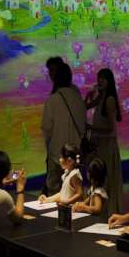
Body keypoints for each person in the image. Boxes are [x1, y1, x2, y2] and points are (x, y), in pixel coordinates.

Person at [42, 63, 86, 195]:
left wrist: (49, 149)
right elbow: (83, 125)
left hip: (56, 154)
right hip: (74, 153)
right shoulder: (78, 99)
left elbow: (47, 129)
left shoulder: (53, 99)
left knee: (54, 190)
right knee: (74, 191)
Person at [84, 68, 124, 215]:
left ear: (109, 81)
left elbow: (111, 129)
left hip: (106, 145)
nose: (99, 81)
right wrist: (88, 96)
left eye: (103, 78)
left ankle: (108, 211)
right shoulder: (101, 97)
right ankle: (100, 209)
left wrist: (91, 128)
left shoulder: (109, 99)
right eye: (98, 78)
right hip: (100, 144)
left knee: (106, 178)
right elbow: (84, 107)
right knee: (100, 178)